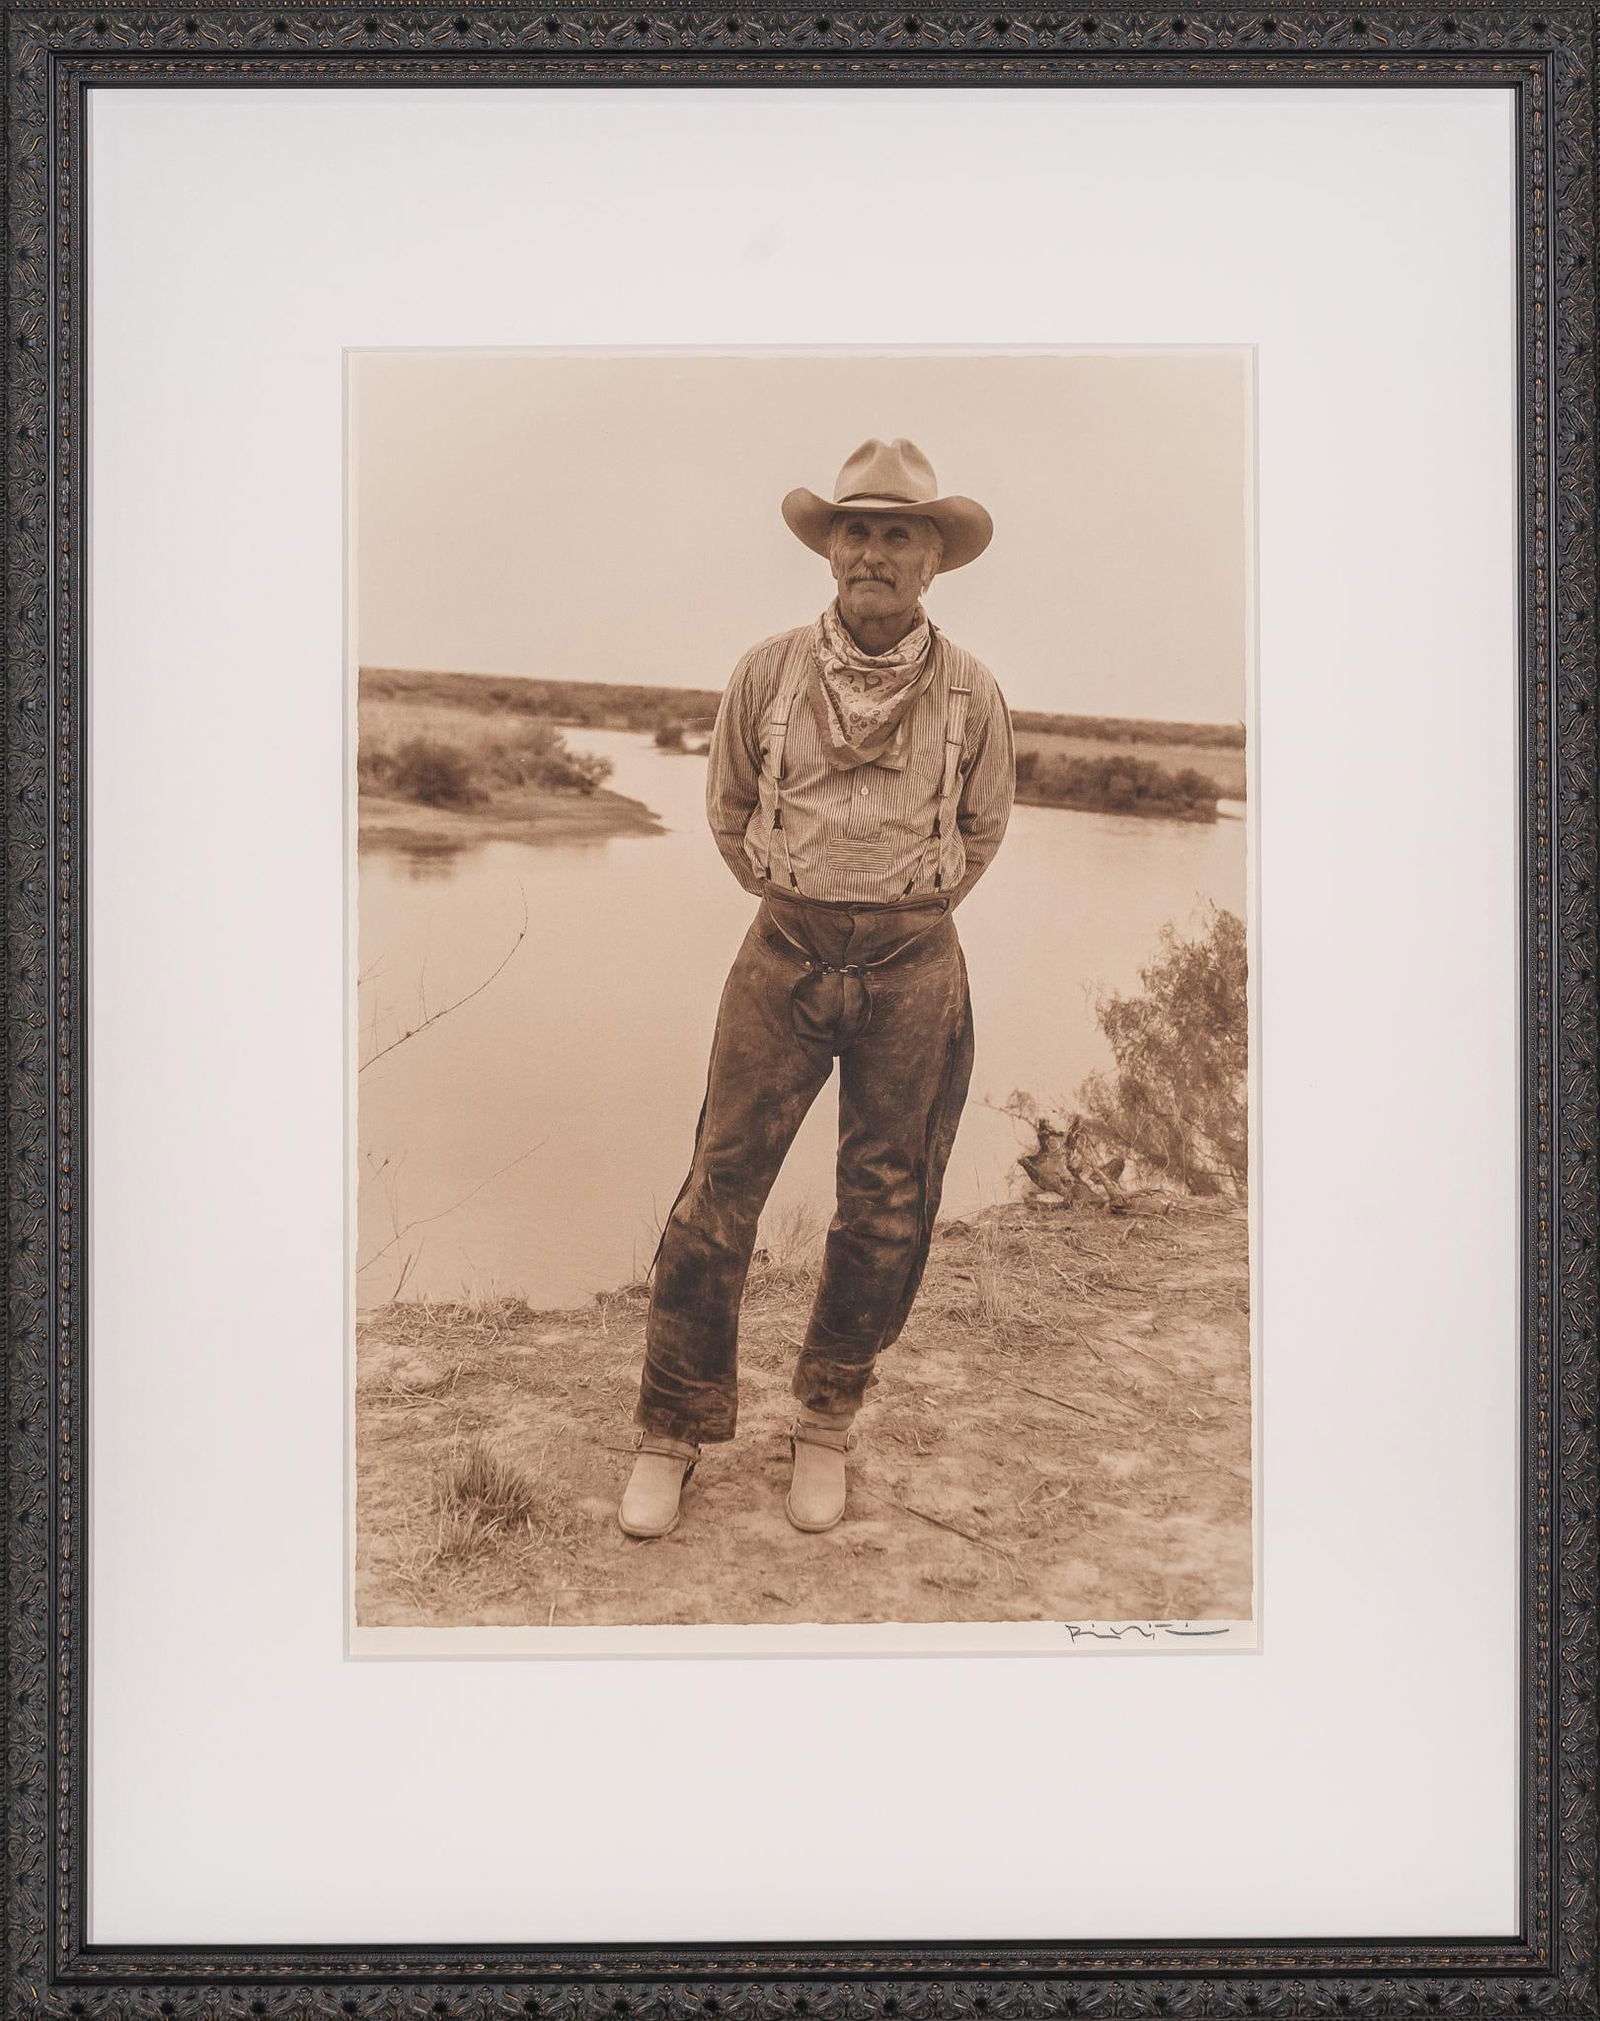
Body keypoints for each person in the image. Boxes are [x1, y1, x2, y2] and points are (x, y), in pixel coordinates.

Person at [617, 437, 1015, 1539]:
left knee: (887, 1207)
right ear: (829, 549)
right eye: (858, 530)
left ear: (933, 561)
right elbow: (729, 812)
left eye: (899, 534)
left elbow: (982, 831)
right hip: (780, 952)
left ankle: (826, 1420)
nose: (874, 552)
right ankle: (672, 1429)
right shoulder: (765, 671)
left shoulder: (976, 693)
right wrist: (805, 902)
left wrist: (890, 915)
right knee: (715, 1196)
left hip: (914, 966)